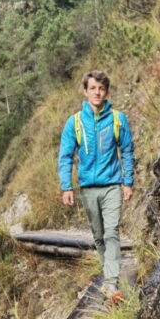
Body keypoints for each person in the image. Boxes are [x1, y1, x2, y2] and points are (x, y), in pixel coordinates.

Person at [58, 70, 134, 302]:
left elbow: (127, 151)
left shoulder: (118, 119)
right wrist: (66, 186)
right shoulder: (75, 122)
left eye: (101, 89)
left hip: (112, 185)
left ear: (107, 92)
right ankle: (108, 272)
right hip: (88, 189)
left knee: (112, 233)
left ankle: (111, 282)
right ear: (86, 91)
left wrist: (127, 181)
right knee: (99, 235)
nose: (97, 93)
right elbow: (65, 156)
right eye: (93, 88)